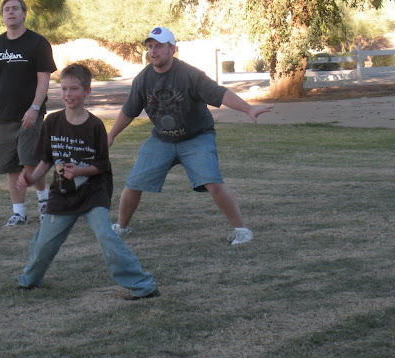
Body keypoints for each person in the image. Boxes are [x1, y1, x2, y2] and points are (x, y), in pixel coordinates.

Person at [107, 26, 274, 245]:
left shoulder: (189, 74)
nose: (153, 51)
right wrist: (111, 136)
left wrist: (248, 108)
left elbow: (219, 93)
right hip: (162, 139)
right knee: (133, 183)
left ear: (172, 49)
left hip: (196, 137)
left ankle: (242, 230)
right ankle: (121, 228)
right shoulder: (143, 79)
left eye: (159, 46)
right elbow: (129, 111)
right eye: (150, 47)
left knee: (212, 182)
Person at [16, 63, 159, 299]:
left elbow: (102, 165)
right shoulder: (52, 121)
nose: (68, 95)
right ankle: (30, 280)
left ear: (87, 92)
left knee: (107, 237)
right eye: (64, 89)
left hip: (93, 194)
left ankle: (143, 286)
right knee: (43, 244)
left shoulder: (94, 126)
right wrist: (31, 177)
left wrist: (80, 171)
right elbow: (47, 159)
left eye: (74, 89)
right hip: (62, 194)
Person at [0, 0, 57, 226]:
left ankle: (43, 200)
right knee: (11, 165)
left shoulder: (38, 43)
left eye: (15, 9)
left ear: (24, 14)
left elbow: (44, 79)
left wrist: (34, 108)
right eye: (6, 9)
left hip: (29, 115)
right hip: (3, 116)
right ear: (3, 15)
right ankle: (19, 212)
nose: (10, 12)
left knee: (30, 161)